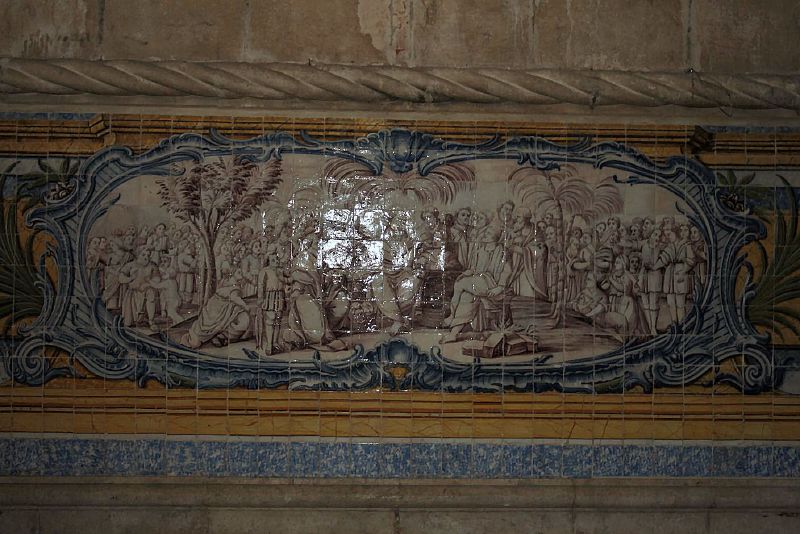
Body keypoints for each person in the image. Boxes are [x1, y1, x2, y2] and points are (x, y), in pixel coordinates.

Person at [181, 268, 251, 348]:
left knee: (239, 321)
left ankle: (220, 337)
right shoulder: (232, 285)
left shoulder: (231, 283)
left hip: (222, 308)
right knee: (208, 328)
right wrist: (246, 307)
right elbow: (234, 298)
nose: (242, 275)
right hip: (217, 309)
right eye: (239, 273)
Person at [256, 254, 288, 355]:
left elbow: (288, 280)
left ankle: (275, 342)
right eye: (273, 260)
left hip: (279, 295)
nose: (276, 262)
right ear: (269, 261)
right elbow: (261, 285)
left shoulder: (281, 271)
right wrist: (261, 298)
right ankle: (269, 344)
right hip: (269, 296)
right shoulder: (265, 271)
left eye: (277, 259)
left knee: (278, 319)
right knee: (270, 318)